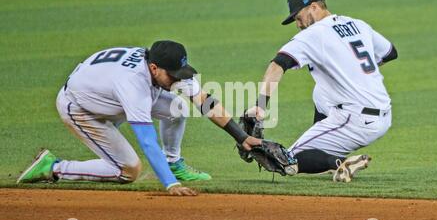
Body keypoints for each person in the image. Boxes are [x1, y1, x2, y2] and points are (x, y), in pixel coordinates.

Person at [17, 40, 261, 195]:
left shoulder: (166, 68)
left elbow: (205, 102)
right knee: (128, 171)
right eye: (174, 76)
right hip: (82, 109)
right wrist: (170, 185)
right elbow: (146, 140)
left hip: (109, 98)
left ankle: (173, 163)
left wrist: (242, 137)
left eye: (181, 74)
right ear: (154, 68)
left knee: (177, 107)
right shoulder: (133, 85)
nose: (179, 80)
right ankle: (54, 167)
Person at [247, 0, 398, 182]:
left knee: (284, 160)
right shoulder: (357, 24)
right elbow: (390, 53)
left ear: (314, 7)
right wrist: (353, 71)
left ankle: (339, 162)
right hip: (383, 113)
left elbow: (278, 64)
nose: (298, 24)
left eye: (298, 17)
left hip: (355, 120)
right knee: (320, 91)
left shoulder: (314, 34)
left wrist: (260, 104)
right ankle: (319, 143)